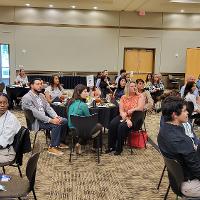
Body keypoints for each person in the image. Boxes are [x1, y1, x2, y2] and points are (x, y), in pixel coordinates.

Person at [158, 96, 200, 198]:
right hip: (189, 184)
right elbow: (197, 170)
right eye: (185, 111)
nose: (188, 113)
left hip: (177, 180)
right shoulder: (181, 140)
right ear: (174, 115)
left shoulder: (163, 131)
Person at [22, 78, 68, 156]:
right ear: (32, 85)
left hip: (44, 118)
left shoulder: (41, 95)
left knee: (64, 120)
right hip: (35, 121)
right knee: (56, 125)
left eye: (41, 84)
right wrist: (51, 120)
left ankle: (58, 141)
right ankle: (52, 147)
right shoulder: (27, 97)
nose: (40, 86)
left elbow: (48, 108)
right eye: (37, 84)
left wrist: (56, 117)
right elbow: (36, 114)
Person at [106, 81, 145, 155]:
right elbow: (121, 110)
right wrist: (126, 118)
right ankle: (111, 146)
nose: (134, 87)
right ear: (127, 88)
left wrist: (131, 110)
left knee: (122, 126)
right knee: (112, 124)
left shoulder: (140, 96)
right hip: (125, 115)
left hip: (135, 117)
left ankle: (119, 149)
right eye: (132, 86)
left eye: (135, 86)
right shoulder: (123, 97)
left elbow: (140, 108)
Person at [67, 84, 102, 154]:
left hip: (71, 129)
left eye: (87, 91)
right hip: (80, 131)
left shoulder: (70, 102)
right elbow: (89, 121)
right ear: (79, 93)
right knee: (98, 125)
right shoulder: (83, 105)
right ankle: (95, 147)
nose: (87, 93)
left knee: (84, 126)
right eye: (85, 92)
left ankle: (79, 143)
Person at [0, 93, 21, 163]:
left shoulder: (11, 119)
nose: (2, 105)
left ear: (8, 104)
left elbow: (3, 141)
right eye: (0, 103)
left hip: (7, 152)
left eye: (5, 103)